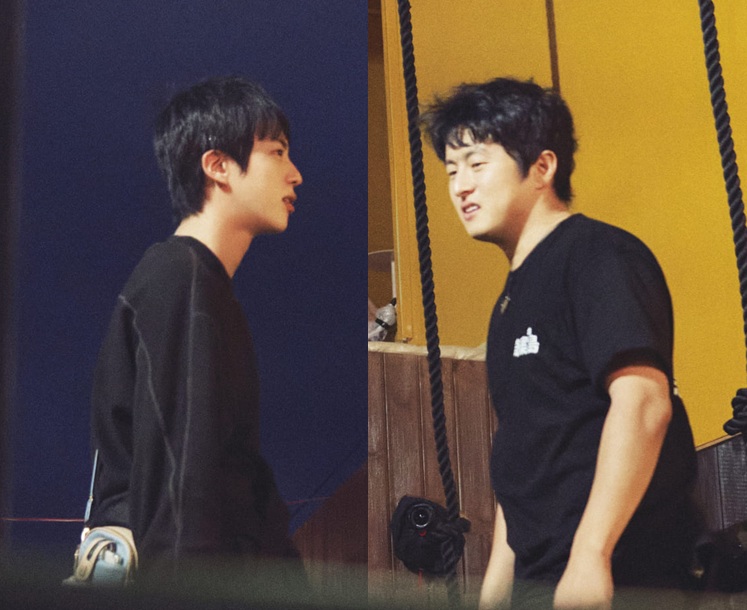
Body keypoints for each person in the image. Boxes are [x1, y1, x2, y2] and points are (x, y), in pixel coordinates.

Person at [422, 78, 699, 609]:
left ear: (542, 166)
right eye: (452, 170)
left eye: (477, 164)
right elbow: (523, 463)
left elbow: (644, 403)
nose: (460, 187)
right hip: (541, 582)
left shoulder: (598, 255)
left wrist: (592, 555)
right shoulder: (507, 307)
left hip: (616, 576)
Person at [87, 76, 303, 580]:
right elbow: (182, 485)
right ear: (217, 165)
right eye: (277, 152)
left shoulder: (196, 284)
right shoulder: (180, 280)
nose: (295, 175)